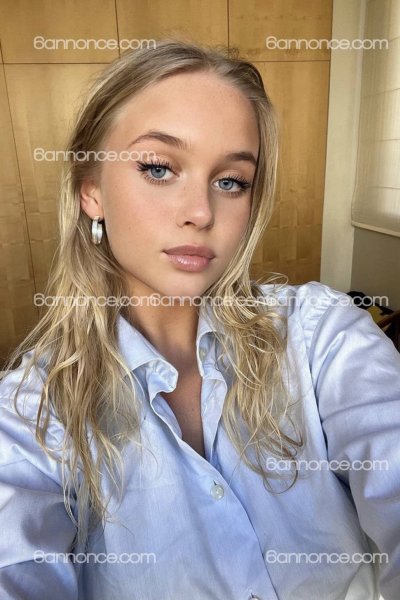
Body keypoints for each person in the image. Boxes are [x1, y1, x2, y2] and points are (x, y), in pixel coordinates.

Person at [0, 39, 399, 600]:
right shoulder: (32, 414)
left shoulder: (319, 334)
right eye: (159, 168)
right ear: (92, 192)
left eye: (231, 181)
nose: (201, 212)